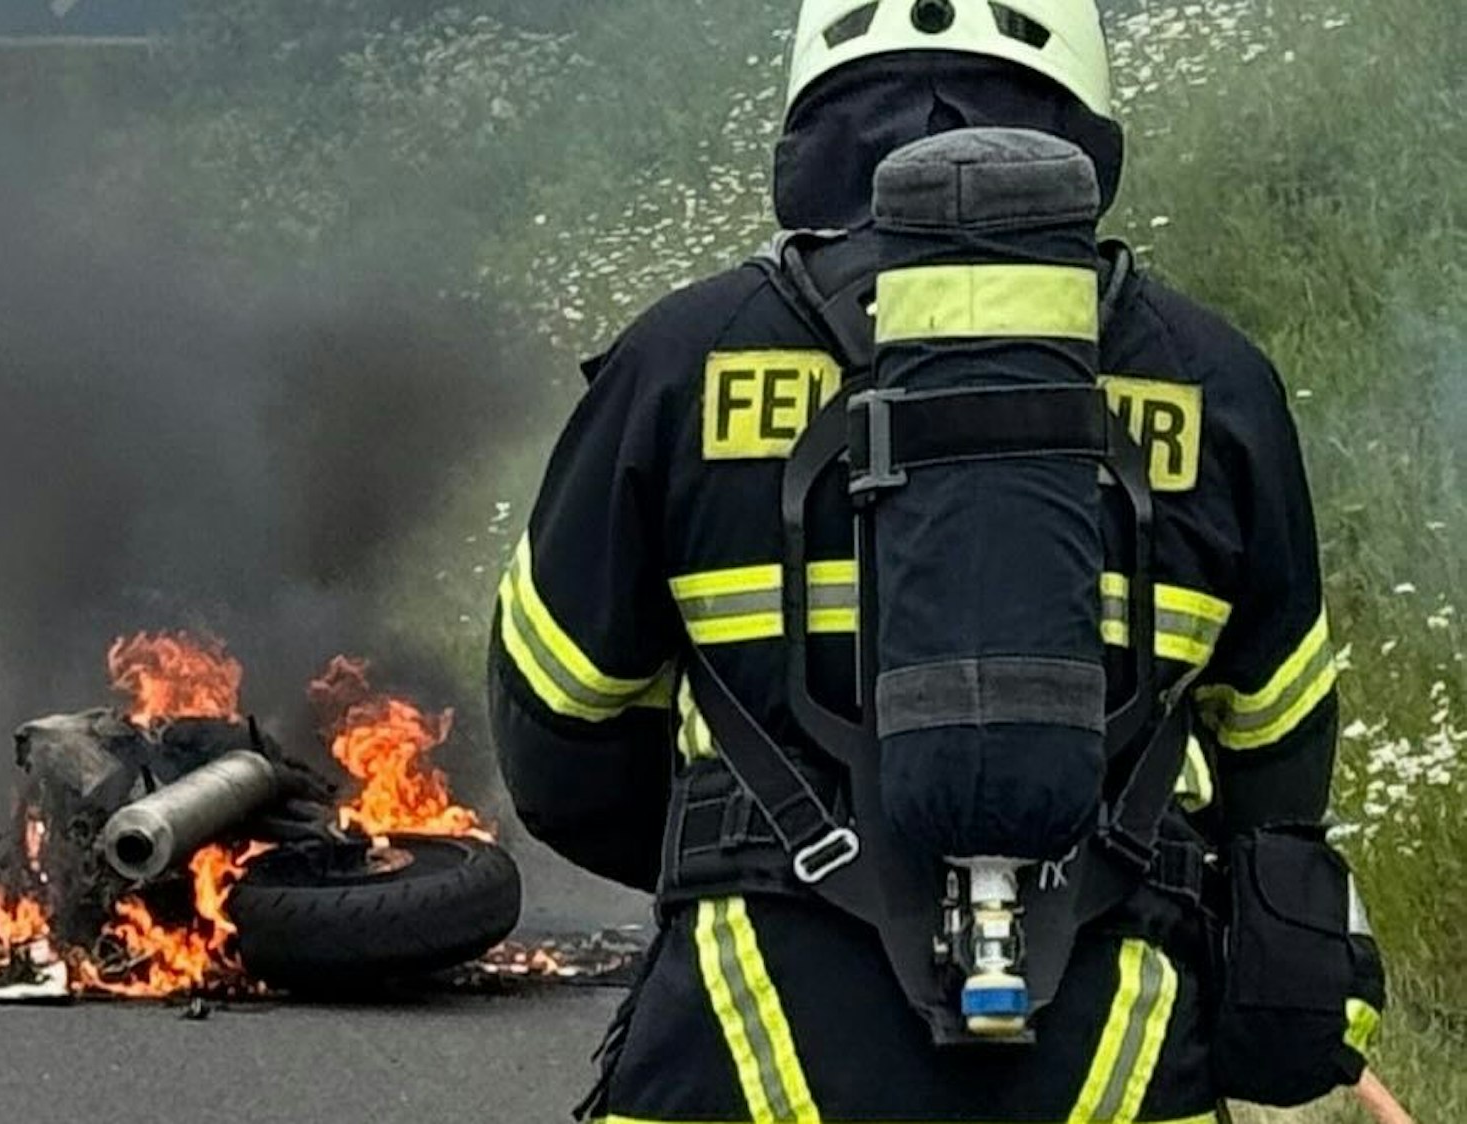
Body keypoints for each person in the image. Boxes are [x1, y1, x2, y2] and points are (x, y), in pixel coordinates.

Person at [489, 2, 1385, 1120]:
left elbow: (555, 736)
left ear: (814, 101)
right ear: (1081, 99)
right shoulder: (1216, 383)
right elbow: (1277, 774)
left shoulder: (681, 360)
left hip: (740, 1040)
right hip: (1116, 1057)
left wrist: (744, 844)